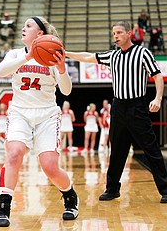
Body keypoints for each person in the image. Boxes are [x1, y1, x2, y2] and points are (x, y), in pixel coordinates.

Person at [64, 21, 167, 203]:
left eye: (119, 33)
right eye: (113, 34)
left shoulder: (142, 53)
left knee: (151, 149)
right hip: (118, 108)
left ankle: (166, 190)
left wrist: (158, 98)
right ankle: (112, 189)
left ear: (129, 34)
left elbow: (157, 75)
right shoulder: (112, 55)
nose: (116, 36)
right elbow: (89, 57)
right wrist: (66, 54)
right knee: (117, 150)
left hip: (137, 107)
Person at [0, 16, 79, 227]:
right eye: (23, 25)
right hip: (20, 112)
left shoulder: (52, 56)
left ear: (40, 34)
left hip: (47, 114)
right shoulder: (14, 54)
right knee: (14, 154)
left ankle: (70, 196)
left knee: (49, 166)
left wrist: (61, 68)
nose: (23, 28)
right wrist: (28, 56)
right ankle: (3, 207)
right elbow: (1, 71)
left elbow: (66, 91)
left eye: (28, 26)